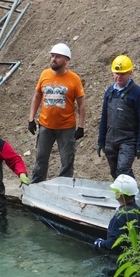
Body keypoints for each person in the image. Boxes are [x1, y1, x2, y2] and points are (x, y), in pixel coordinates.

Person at [28, 43, 86, 183]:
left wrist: (81, 126)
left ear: (66, 60)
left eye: (58, 57)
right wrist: (31, 119)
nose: (53, 59)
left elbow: (81, 103)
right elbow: (37, 96)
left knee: (67, 160)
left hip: (66, 127)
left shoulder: (74, 79)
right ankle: (36, 185)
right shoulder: (44, 74)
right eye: (52, 56)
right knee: (41, 158)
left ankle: (64, 188)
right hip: (45, 126)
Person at [97, 55, 140, 179]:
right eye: (117, 73)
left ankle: (131, 197)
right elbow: (104, 117)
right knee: (115, 172)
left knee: (123, 171)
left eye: (123, 73)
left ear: (130, 73)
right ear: (112, 74)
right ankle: (122, 197)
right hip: (110, 140)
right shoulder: (110, 92)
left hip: (128, 140)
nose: (119, 76)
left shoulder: (138, 94)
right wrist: (101, 140)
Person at [93, 174, 140, 254]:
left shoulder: (121, 216)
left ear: (120, 194)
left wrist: (99, 243)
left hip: (120, 262)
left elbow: (114, 244)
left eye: (116, 191)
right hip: (138, 257)